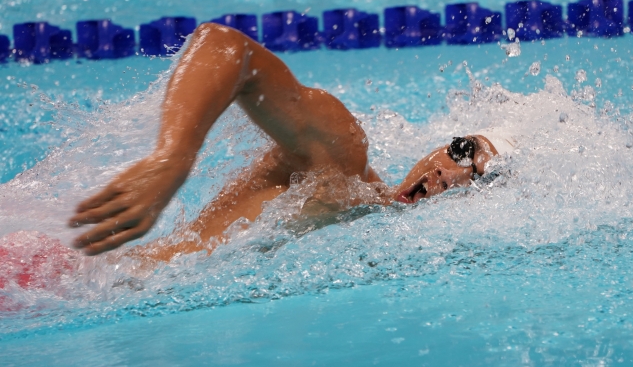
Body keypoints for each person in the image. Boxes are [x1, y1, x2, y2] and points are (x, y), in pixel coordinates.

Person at [68, 23, 506, 260]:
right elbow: (225, 46)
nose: (448, 172)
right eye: (460, 149)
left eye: (475, 176)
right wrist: (173, 156)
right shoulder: (343, 160)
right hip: (74, 275)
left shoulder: (369, 225)